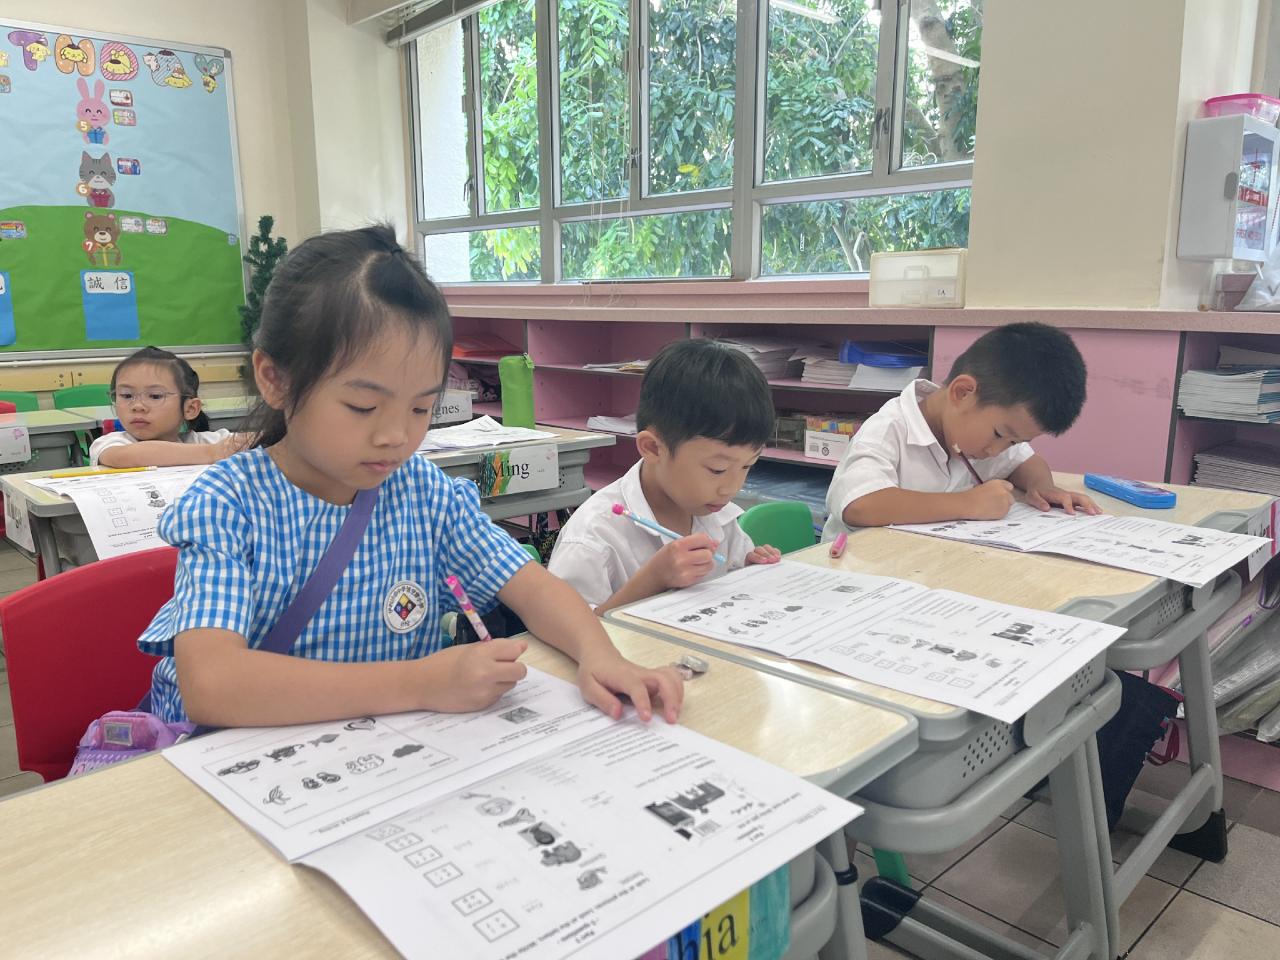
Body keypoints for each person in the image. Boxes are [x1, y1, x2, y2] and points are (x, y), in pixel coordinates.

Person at [135, 225, 682, 728]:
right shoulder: (228, 504)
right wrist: (420, 683)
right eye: (363, 407)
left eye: (421, 408)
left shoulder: (422, 493)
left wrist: (600, 655)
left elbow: (535, 588)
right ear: (275, 379)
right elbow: (213, 686)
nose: (396, 436)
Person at [549, 339, 782, 615]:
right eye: (717, 469)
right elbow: (566, 631)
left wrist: (750, 573)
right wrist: (652, 580)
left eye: (747, 466)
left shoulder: (717, 515)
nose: (731, 488)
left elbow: (727, 582)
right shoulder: (593, 536)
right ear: (652, 448)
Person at [823, 322, 1099, 538]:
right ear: (963, 392)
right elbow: (860, 505)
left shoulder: (978, 439)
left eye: (1013, 442)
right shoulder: (888, 429)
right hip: (859, 572)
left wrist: (1042, 487)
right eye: (1000, 434)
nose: (997, 450)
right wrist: (968, 503)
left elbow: (1028, 462)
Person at [89, 346, 246, 467]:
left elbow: (252, 440)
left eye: (155, 396)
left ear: (190, 409)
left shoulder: (203, 441)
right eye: (126, 395)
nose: (137, 406)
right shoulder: (112, 443)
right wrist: (213, 453)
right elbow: (130, 456)